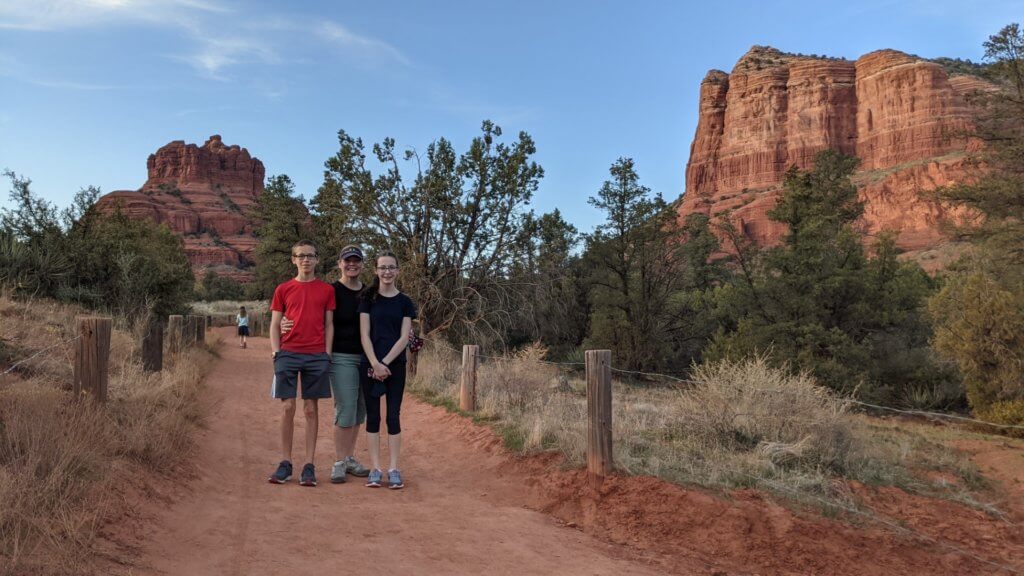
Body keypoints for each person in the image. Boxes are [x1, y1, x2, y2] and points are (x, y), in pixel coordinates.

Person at [281, 245, 370, 484]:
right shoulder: (331, 290)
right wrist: (282, 326)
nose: (352, 264)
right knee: (346, 407)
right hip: (340, 356)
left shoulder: (369, 292)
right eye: (347, 261)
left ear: (362, 264)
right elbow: (308, 313)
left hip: (366, 357)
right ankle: (339, 462)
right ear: (339, 263)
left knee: (360, 409)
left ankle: (350, 458)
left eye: (356, 261)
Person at [268, 240, 335, 487]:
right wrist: (276, 352)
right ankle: (285, 462)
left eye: (310, 255)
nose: (306, 260)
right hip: (288, 353)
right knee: (287, 407)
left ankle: (309, 464)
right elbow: (275, 324)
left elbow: (329, 324)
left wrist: (327, 354)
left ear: (317, 259)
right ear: (293, 259)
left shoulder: (327, 290)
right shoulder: (283, 289)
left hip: (316, 355)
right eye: (301, 255)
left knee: (310, 408)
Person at [359, 251, 416, 489]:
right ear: (375, 270)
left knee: (393, 416)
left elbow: (404, 337)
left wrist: (386, 363)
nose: (387, 272)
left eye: (391, 267)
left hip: (396, 367)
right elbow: (364, 333)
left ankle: (393, 468)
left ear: (398, 270)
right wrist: (375, 363)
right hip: (369, 365)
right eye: (383, 267)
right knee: (373, 417)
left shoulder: (405, 302)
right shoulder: (367, 299)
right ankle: (375, 468)